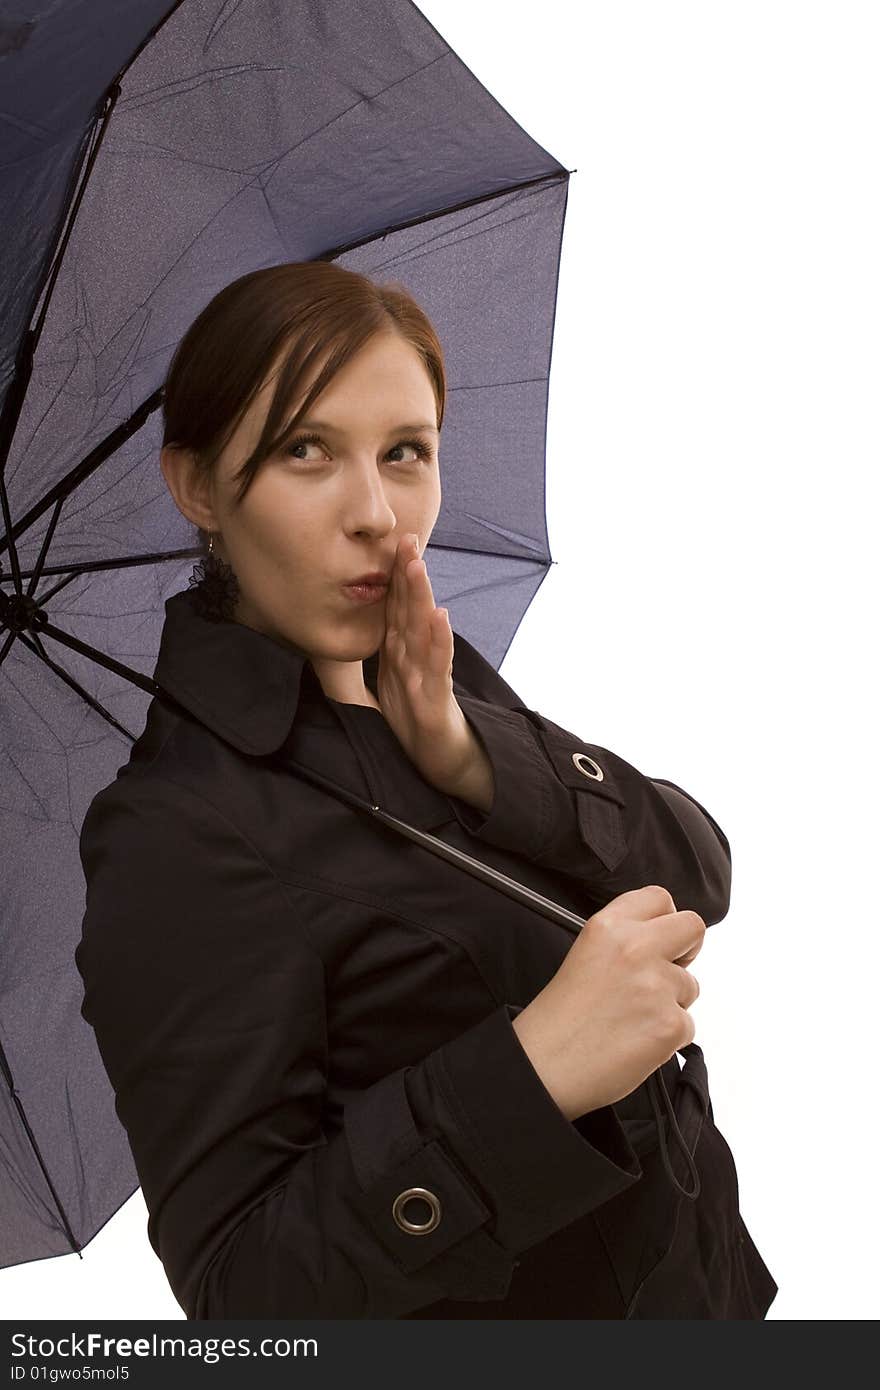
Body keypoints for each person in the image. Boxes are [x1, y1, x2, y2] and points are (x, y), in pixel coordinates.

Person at [74, 261, 777, 1319]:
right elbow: (246, 1298)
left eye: (406, 453)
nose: (376, 514)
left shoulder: (428, 677)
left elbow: (697, 874)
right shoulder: (174, 833)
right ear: (199, 485)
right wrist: (529, 1078)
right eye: (305, 450)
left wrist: (466, 754)